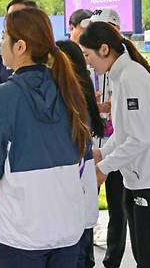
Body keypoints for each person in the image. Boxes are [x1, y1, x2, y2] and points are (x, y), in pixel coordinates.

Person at [0, 7, 91, 267]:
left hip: (21, 231)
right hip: (68, 227)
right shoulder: (70, 90)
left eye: (4, 36)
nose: (1, 44)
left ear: (21, 46)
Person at [80, 21, 150, 268]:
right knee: (145, 257)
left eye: (88, 55)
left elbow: (140, 137)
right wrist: (102, 152)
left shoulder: (131, 77)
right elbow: (125, 131)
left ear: (104, 49)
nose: (87, 62)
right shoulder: (121, 76)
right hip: (140, 181)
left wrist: (103, 168)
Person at [79, 8, 126, 264]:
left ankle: (113, 262)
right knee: (84, 206)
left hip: (120, 148)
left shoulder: (130, 68)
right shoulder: (84, 63)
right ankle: (85, 260)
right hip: (90, 146)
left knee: (119, 210)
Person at [56, 39, 105, 268]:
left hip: (74, 188)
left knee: (77, 252)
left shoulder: (71, 97)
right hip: (77, 193)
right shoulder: (77, 92)